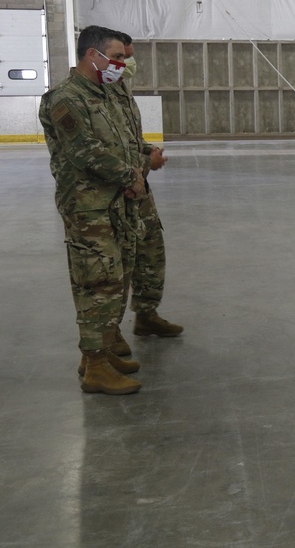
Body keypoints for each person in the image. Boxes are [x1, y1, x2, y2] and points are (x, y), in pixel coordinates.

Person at [39, 25, 146, 394]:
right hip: (88, 207)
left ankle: (96, 355)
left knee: (117, 280)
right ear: (92, 55)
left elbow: (123, 143)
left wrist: (135, 171)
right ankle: (97, 367)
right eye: (116, 56)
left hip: (115, 202)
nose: (121, 64)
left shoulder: (103, 93)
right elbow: (84, 151)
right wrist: (130, 176)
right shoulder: (65, 98)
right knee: (96, 283)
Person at [113, 33, 184, 339]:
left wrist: (147, 151)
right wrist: (143, 166)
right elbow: (94, 153)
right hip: (113, 194)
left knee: (150, 252)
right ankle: (105, 340)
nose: (128, 63)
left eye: (129, 56)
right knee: (115, 266)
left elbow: (127, 141)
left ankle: (147, 314)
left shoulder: (119, 92)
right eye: (122, 56)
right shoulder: (88, 97)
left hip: (138, 189)